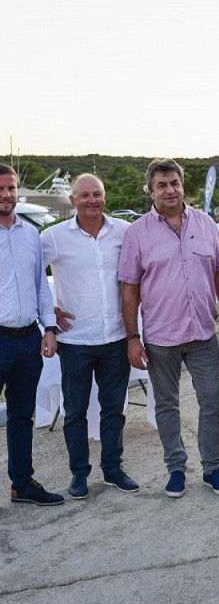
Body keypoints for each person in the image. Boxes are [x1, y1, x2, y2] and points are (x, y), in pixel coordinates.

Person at [118, 159, 219, 498]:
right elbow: (129, 288)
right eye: (161, 185)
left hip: (203, 333)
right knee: (167, 405)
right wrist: (133, 337)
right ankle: (176, 469)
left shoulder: (205, 224)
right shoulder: (138, 233)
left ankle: (212, 468)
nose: (169, 190)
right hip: (160, 338)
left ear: (182, 185)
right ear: (151, 191)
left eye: (174, 183)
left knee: (213, 400)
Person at [41, 173, 139, 500]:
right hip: (75, 342)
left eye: (97, 194)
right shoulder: (54, 237)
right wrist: (49, 311)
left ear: (105, 197)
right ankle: (79, 475)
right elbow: (32, 275)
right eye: (84, 195)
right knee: (76, 412)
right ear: (73, 201)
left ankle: (112, 469)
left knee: (114, 410)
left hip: (115, 338)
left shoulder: (124, 232)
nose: (92, 200)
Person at [0, 163, 63, 506]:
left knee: (21, 416)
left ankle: (21, 484)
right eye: (0, 189)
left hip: (27, 340)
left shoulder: (30, 235)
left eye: (10, 188)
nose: (6, 195)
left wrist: (49, 327)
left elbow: (41, 285)